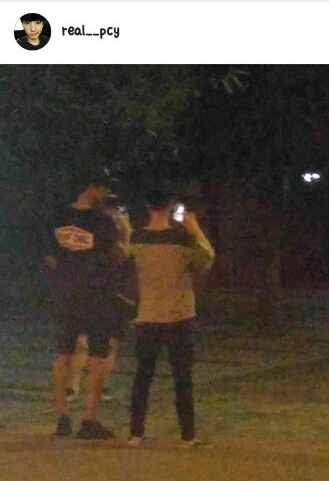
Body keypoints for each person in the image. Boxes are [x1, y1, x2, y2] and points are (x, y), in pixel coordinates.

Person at [128, 183, 215, 447]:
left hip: (148, 314)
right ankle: (188, 434)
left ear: (147, 206)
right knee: (182, 378)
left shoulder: (137, 238)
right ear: (170, 206)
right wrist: (195, 228)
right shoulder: (182, 239)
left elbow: (127, 264)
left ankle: (136, 432)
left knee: (143, 375)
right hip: (179, 314)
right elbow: (206, 259)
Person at [44, 168, 124, 439]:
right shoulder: (103, 222)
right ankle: (89, 419)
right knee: (97, 355)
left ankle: (61, 416)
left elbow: (49, 256)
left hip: (65, 294)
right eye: (104, 188)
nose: (106, 194)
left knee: (63, 352)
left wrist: (66, 273)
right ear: (93, 187)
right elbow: (116, 257)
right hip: (96, 295)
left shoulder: (58, 218)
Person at [66, 194, 133, 403]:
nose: (112, 213)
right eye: (108, 207)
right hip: (90, 291)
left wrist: (126, 233)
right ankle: (73, 387)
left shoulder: (114, 232)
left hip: (112, 293)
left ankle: (100, 386)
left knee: (109, 343)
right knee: (82, 342)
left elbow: (125, 259)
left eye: (115, 209)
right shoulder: (97, 229)